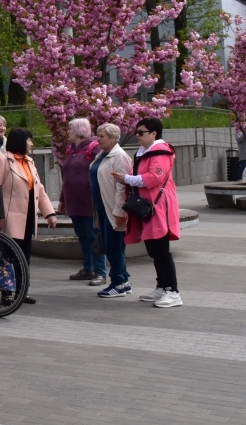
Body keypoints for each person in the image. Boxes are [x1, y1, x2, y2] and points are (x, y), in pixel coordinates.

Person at [114, 117, 182, 308]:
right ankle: (162, 287)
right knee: (154, 249)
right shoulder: (145, 152)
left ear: (154, 134)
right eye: (137, 132)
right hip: (150, 206)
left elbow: (154, 178)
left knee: (161, 250)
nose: (137, 135)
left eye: (141, 132)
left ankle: (173, 291)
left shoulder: (161, 152)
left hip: (159, 207)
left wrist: (127, 179)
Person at [0, 127, 57, 305]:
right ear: (20, 141)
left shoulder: (29, 161)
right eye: (29, 141)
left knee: (24, 255)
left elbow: (39, 189)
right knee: (8, 256)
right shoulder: (2, 159)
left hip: (28, 216)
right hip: (8, 217)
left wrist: (49, 213)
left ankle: (21, 289)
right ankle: (7, 291)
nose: (32, 144)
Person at [58, 118, 107, 287]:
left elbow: (102, 171)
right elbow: (67, 177)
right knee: (82, 236)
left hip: (89, 201)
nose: (68, 132)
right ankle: (88, 268)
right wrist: (62, 199)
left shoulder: (94, 148)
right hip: (74, 201)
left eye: (70, 129)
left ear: (79, 130)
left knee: (93, 236)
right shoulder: (71, 149)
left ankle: (100, 272)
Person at [91, 123, 134, 299]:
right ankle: (123, 280)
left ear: (113, 138)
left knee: (114, 247)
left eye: (102, 136)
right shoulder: (103, 154)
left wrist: (119, 210)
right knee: (112, 246)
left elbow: (121, 186)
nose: (98, 139)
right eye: (98, 135)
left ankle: (117, 283)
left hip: (113, 209)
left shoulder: (119, 156)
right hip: (102, 207)